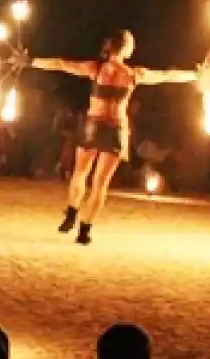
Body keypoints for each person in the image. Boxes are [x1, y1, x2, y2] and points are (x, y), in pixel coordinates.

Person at [14, 30, 200, 244]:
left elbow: (61, 64)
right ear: (127, 48)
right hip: (113, 128)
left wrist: (30, 61)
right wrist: (195, 75)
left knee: (81, 173)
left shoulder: (97, 68)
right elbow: (167, 75)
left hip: (95, 125)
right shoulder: (133, 74)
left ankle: (73, 213)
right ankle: (84, 228)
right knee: (99, 182)